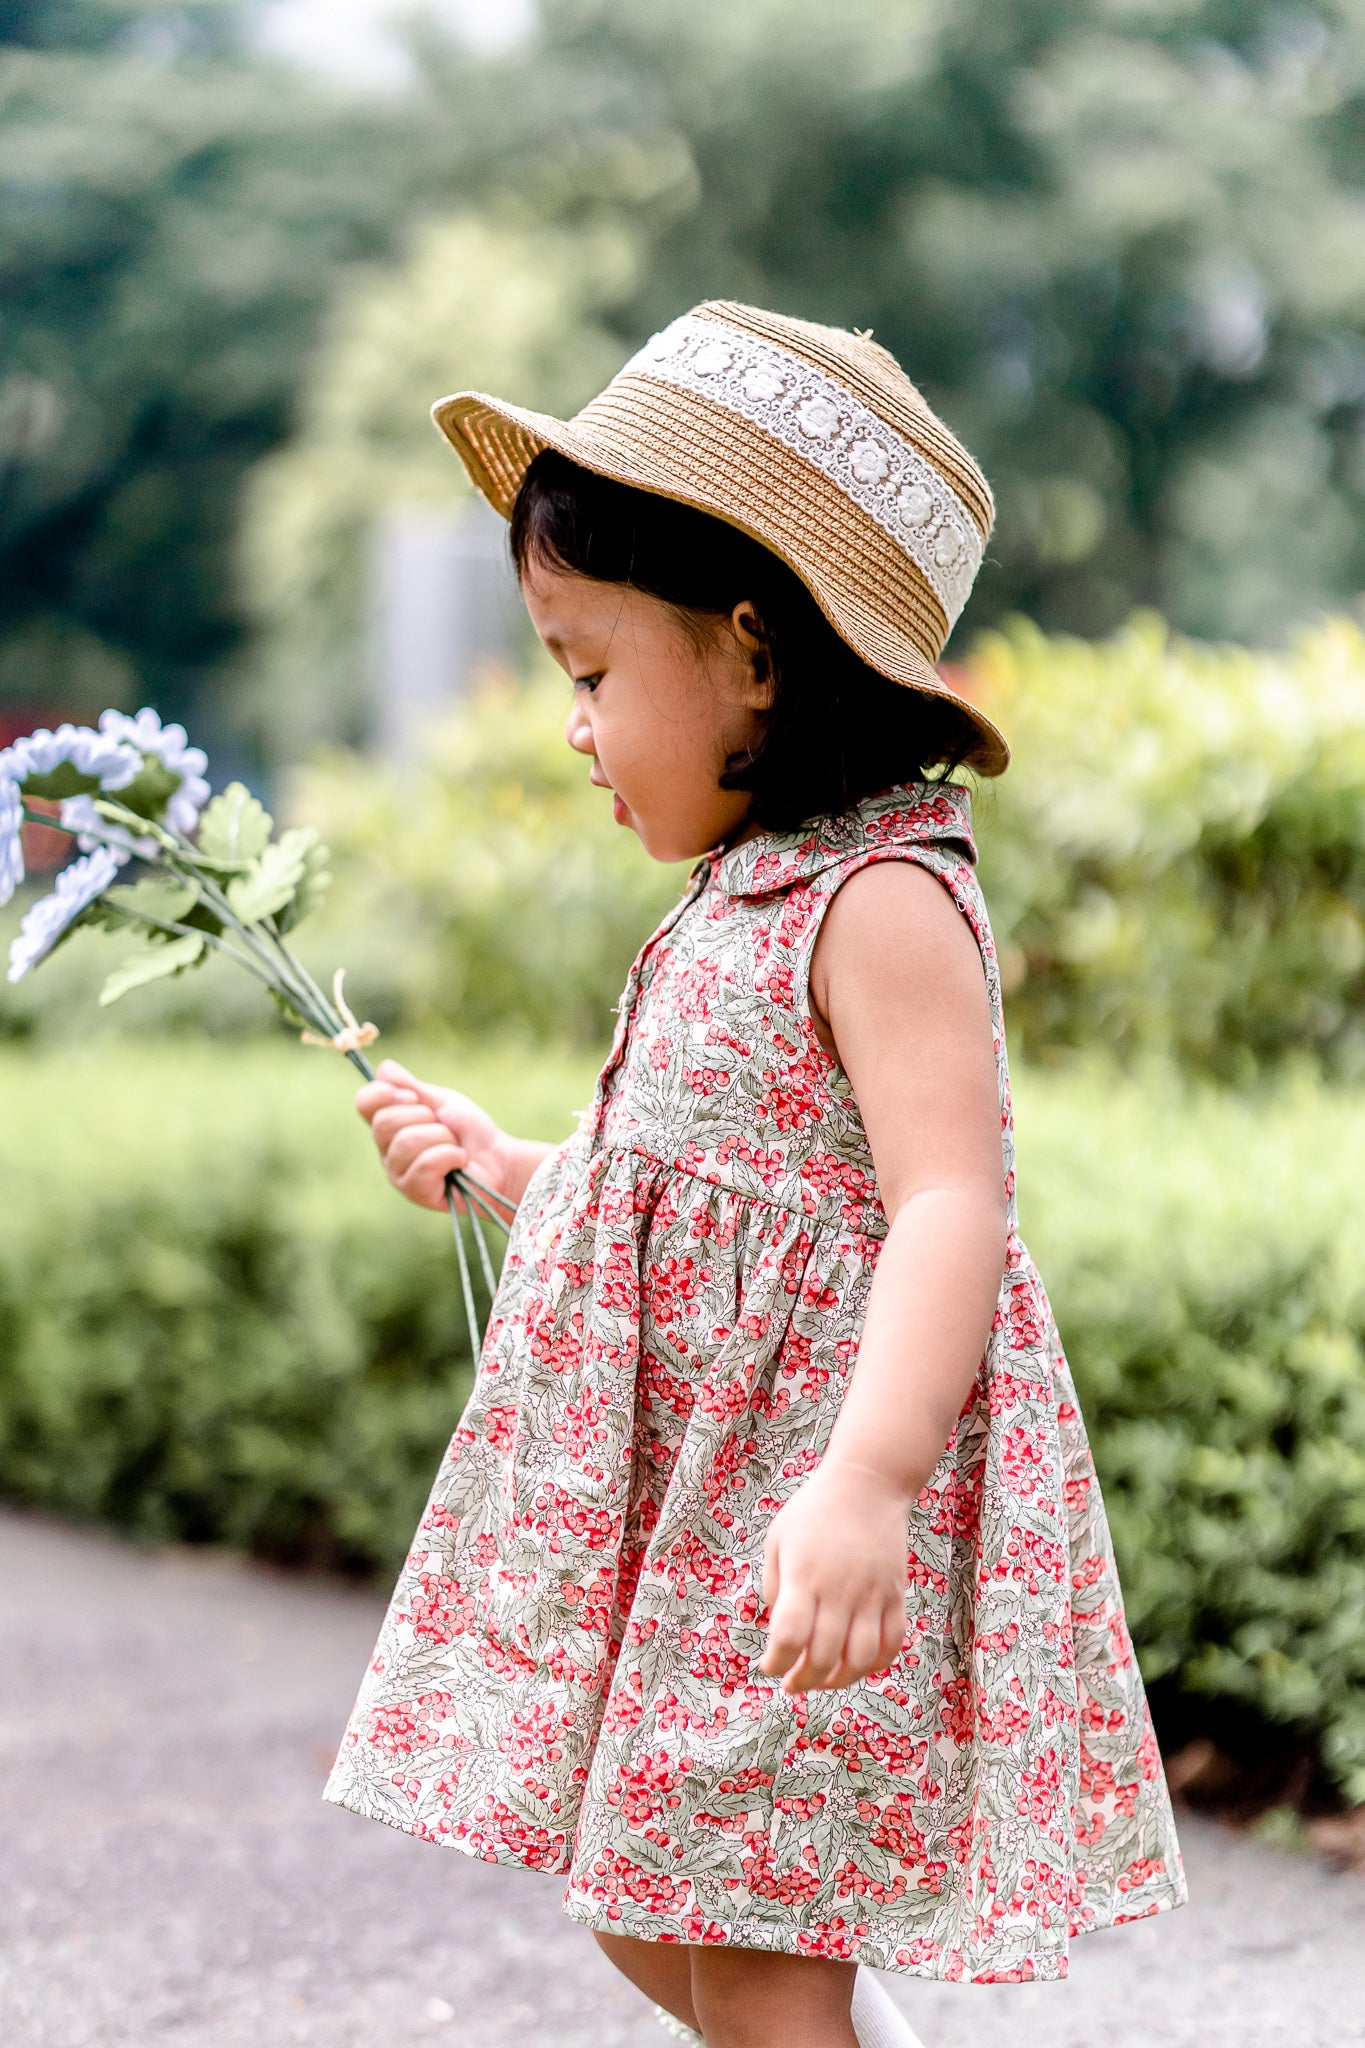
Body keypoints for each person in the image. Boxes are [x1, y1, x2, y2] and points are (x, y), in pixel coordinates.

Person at [324, 303, 1185, 2047]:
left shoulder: (879, 900)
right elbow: (711, 1184)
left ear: (755, 654)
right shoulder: (740, 888)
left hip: (808, 1517)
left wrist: (864, 1482)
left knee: (755, 1956)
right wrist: (514, 1168)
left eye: (586, 671)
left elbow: (949, 1204)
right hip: (713, 1518)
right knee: (654, 1916)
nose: (569, 727)